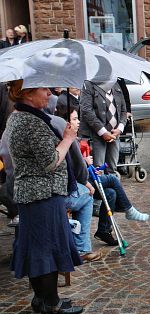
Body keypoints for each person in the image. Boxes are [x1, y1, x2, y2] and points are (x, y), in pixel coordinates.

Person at [4, 80, 83, 314]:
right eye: (43, 89)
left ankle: (41, 298)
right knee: (47, 249)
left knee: (38, 248)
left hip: (33, 194)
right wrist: (68, 138)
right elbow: (50, 162)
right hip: (42, 194)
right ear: (28, 93)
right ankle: (51, 303)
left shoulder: (19, 116)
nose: (49, 93)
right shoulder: (31, 122)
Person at [53, 105, 101, 262]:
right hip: (60, 192)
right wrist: (87, 182)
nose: (78, 122)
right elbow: (79, 169)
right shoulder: (68, 137)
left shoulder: (51, 129)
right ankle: (81, 247)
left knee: (111, 187)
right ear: (66, 122)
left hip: (56, 188)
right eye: (74, 119)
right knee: (88, 195)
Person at [79, 79, 127, 174]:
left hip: (114, 135)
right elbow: (86, 111)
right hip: (95, 135)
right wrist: (103, 132)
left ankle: (112, 183)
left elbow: (123, 110)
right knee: (98, 170)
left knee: (112, 169)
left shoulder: (115, 84)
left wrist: (120, 129)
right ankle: (99, 184)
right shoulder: (88, 85)